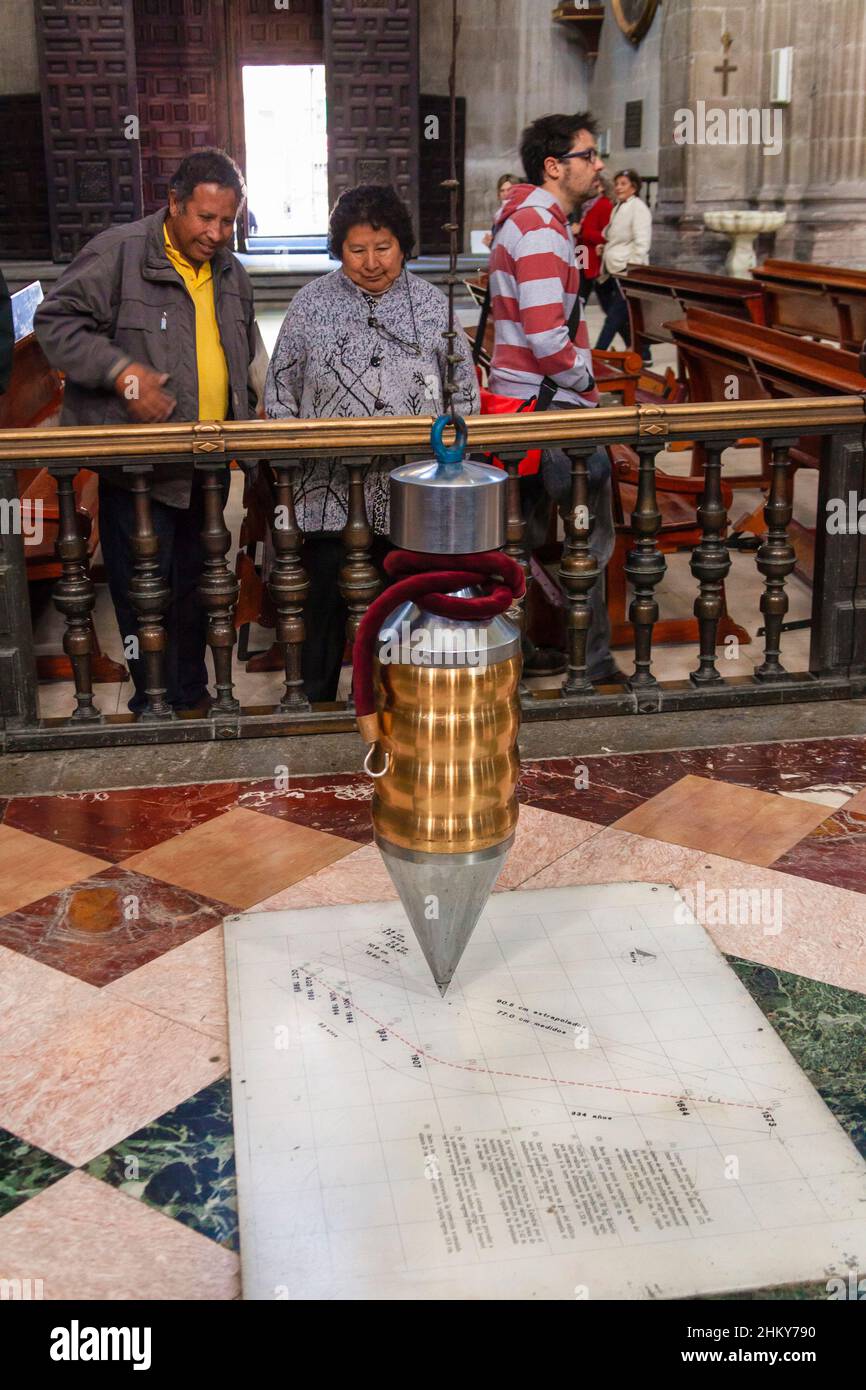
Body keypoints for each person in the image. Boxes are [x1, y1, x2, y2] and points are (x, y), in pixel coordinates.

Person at [35, 148, 258, 715]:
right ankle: (155, 698)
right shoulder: (120, 253)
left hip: (206, 464)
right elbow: (56, 323)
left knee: (197, 588)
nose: (216, 232)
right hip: (140, 471)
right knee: (144, 594)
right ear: (174, 204)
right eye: (205, 218)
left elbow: (242, 355)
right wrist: (122, 372)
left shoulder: (232, 272)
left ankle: (192, 694)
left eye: (228, 220)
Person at [265, 183, 479, 703]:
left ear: (402, 245)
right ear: (338, 249)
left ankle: (397, 704)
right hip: (323, 496)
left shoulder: (431, 307)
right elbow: (278, 395)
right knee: (319, 604)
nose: (370, 262)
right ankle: (312, 703)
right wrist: (289, 462)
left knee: (401, 608)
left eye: (382, 248)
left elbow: (464, 397)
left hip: (409, 499)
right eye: (356, 250)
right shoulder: (310, 305)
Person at [487, 112, 621, 684]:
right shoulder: (541, 228)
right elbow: (546, 335)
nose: (599, 166)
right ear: (553, 165)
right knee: (590, 541)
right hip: (553, 411)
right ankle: (588, 665)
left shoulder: (520, 218)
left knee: (526, 541)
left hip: (522, 406)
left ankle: (515, 656)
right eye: (588, 155)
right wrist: (589, 386)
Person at [595, 168, 652, 356]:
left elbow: (642, 243)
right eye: (617, 184)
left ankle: (598, 353)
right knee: (614, 309)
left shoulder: (639, 208)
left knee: (614, 316)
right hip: (611, 268)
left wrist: (633, 270)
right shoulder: (619, 206)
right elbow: (614, 235)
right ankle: (641, 351)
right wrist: (605, 246)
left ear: (633, 188)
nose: (618, 187)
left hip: (626, 270)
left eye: (623, 184)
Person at [574, 176, 613, 304]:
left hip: (593, 257)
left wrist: (582, 231)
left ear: (601, 187)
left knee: (592, 296)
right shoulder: (586, 205)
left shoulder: (604, 205)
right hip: (581, 253)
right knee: (578, 295)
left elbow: (606, 235)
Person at [482, 173, 518, 248]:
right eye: (502, 191)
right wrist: (491, 244)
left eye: (509, 190)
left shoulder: (520, 213)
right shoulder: (498, 215)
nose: (505, 194)